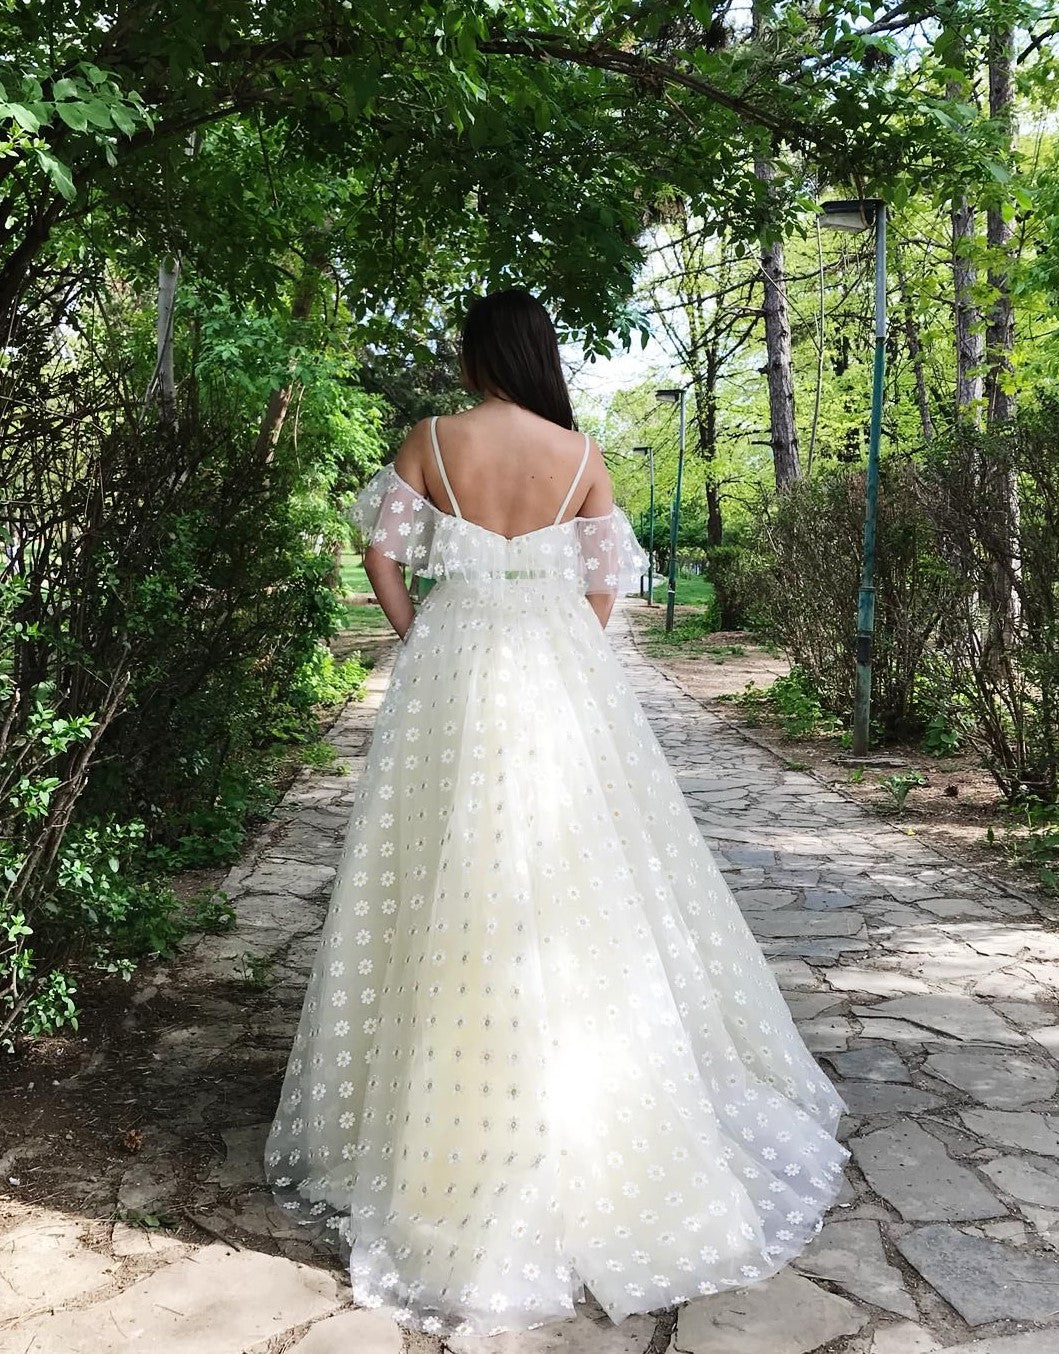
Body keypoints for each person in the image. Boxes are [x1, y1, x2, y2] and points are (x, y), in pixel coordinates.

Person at [265, 288, 849, 1341]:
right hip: (553, 675)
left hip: (452, 670)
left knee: (446, 875)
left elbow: (379, 552)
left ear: (477, 353)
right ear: (538, 355)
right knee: (578, 881)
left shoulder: (432, 441)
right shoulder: (579, 456)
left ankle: (438, 1140)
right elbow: (606, 582)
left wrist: (418, 631)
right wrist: (563, 640)